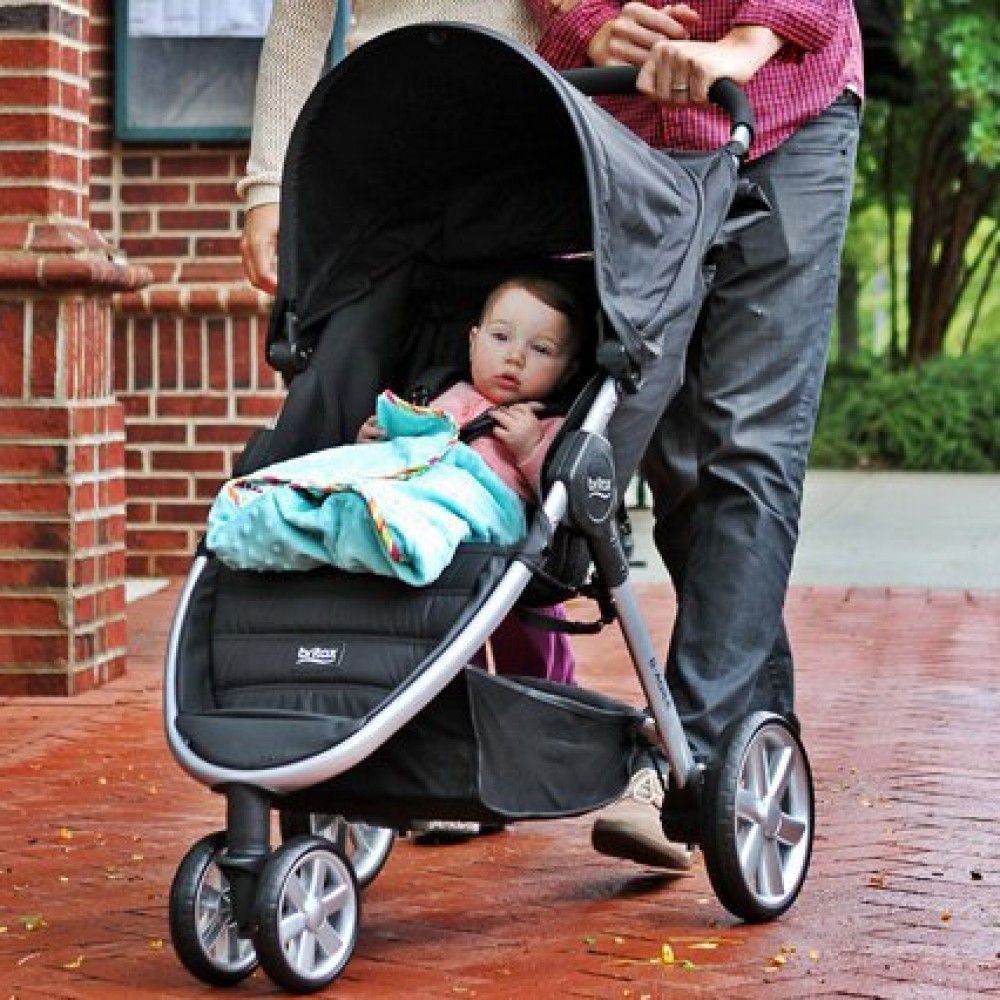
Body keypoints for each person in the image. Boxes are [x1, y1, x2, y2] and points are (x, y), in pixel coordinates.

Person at [523, 0, 863, 870]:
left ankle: (678, 766)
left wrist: (743, 45)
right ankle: (755, 755)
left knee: (750, 440)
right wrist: (591, 23)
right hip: (634, 127)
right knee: (672, 453)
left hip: (785, 111)